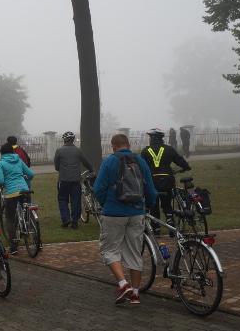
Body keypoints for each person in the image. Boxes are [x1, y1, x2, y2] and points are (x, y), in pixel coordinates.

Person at [93, 134, 157, 305]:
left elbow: (98, 188)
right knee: (134, 252)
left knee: (110, 250)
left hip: (113, 213)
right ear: (128, 145)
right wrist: (147, 206)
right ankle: (135, 293)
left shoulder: (109, 161)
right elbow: (150, 190)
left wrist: (105, 204)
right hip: (137, 213)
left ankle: (123, 284)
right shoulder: (140, 161)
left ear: (113, 146)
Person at [140, 128, 190, 235]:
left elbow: (140, 167)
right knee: (167, 204)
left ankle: (156, 229)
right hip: (167, 180)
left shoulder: (145, 151)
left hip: (152, 181)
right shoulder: (169, 149)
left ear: (153, 138)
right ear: (161, 138)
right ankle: (171, 224)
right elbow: (180, 161)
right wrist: (186, 167)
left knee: (153, 205)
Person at [0, 142, 35, 254]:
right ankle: (37, 239)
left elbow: (0, 180)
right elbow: (31, 174)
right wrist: (23, 178)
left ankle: (13, 247)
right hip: (25, 190)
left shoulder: (1, 163)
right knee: (28, 213)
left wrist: (2, 184)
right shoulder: (19, 160)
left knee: (10, 219)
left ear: (2, 153)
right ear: (12, 151)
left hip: (11, 193)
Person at [54, 131, 94, 229]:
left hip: (63, 180)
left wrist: (62, 169)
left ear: (64, 140)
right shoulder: (78, 151)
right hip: (76, 180)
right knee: (75, 200)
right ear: (73, 140)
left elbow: (56, 167)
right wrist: (91, 170)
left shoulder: (59, 151)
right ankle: (75, 221)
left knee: (62, 199)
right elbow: (86, 162)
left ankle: (66, 219)